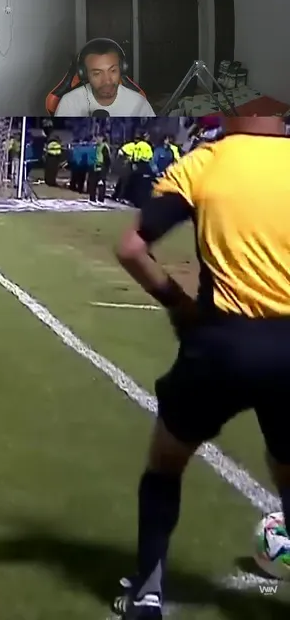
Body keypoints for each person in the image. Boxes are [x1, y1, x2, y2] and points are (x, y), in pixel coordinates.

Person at [111, 116, 290, 619]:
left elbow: (132, 248)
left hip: (221, 346)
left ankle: (148, 594)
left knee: (166, 462)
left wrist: (179, 305)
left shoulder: (206, 162)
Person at [54, 39, 155, 117]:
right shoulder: (69, 103)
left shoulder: (138, 103)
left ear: (122, 68)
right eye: (97, 73)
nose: (107, 81)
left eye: (113, 71)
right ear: (84, 74)